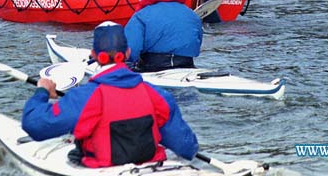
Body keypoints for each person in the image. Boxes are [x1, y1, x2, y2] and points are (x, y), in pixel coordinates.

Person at [22, 21, 198, 168]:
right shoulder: (158, 95)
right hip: (150, 166)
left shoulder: (83, 97)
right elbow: (186, 147)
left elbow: (35, 125)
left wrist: (42, 91)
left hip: (103, 168)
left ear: (93, 55)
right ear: (128, 53)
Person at [125, 0, 203, 72]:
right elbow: (197, 42)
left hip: (153, 67)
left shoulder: (141, 15)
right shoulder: (192, 15)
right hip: (187, 65)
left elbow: (131, 49)